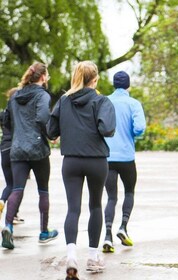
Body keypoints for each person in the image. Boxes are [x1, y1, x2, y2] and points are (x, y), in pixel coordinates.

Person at [47, 61, 116, 279]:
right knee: (95, 205)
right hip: (96, 160)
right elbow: (108, 129)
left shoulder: (64, 101)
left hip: (71, 162)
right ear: (95, 79)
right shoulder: (101, 101)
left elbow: (51, 131)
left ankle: (71, 255)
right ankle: (94, 257)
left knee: (73, 208)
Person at [1, 62, 58, 250]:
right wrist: (51, 135)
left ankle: (8, 226)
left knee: (17, 188)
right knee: (43, 189)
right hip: (37, 149)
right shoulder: (42, 95)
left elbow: (6, 120)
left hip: (17, 148)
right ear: (42, 77)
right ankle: (44, 232)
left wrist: (18, 135)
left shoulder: (15, 95)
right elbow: (42, 118)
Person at [102, 71, 146, 253]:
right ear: (128, 86)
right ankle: (123, 226)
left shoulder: (104, 102)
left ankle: (107, 235)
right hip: (127, 157)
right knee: (129, 192)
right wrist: (133, 135)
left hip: (107, 157)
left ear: (113, 85)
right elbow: (139, 127)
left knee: (111, 197)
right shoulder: (134, 103)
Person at [0, 88, 25, 224]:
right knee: (18, 186)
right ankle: (14, 214)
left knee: (9, 184)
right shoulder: (18, 114)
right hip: (15, 150)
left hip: (4, 149)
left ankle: (2, 201)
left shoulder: (4, 114)